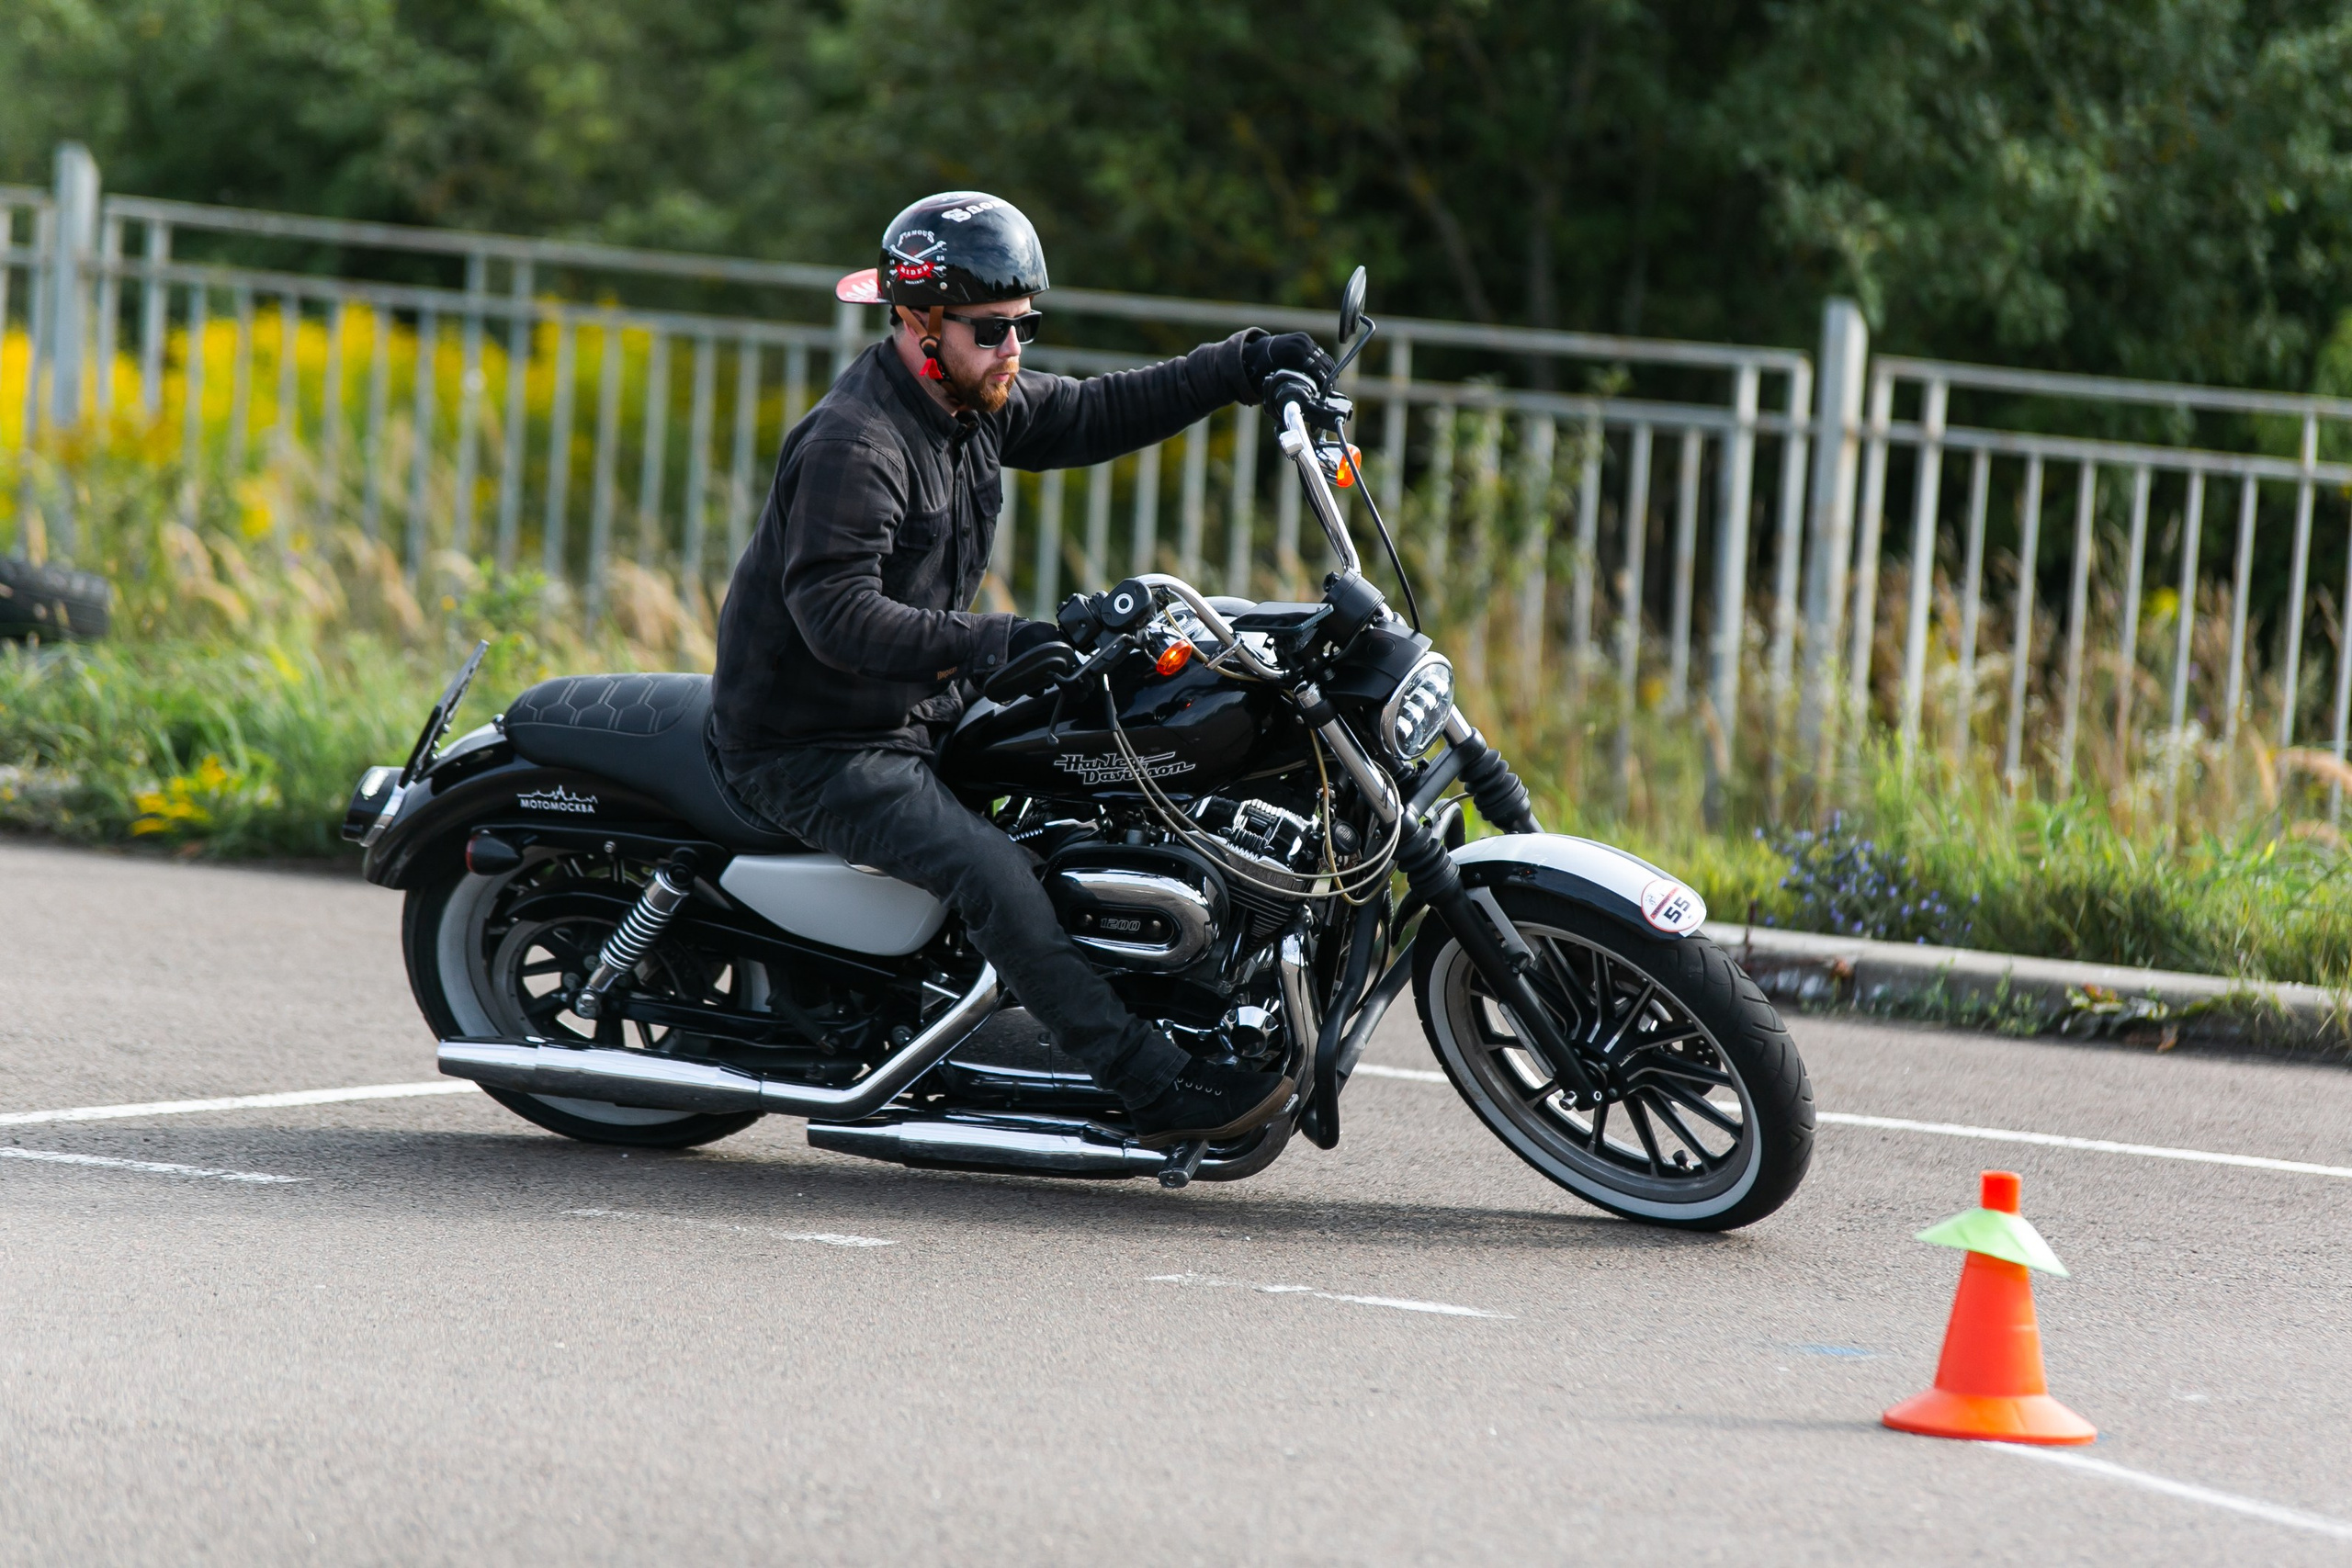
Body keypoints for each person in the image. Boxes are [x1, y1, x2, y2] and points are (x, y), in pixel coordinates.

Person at [712, 191, 1333, 1148]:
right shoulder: (857, 444)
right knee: (994, 873)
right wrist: (992, 643)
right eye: (993, 329)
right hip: (815, 741)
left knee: (1098, 763)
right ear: (919, 323)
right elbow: (835, 617)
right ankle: (1146, 1082)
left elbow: (1095, 411)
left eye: (1025, 327)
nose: (1014, 349)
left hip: (917, 704)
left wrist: (1242, 365)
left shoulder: (968, 405)